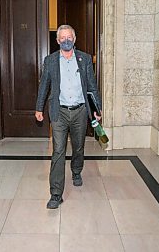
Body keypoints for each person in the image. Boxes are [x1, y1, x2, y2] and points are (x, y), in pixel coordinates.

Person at [35, 24, 102, 209]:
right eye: (62, 38)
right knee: (58, 151)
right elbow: (44, 86)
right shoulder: (50, 60)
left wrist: (97, 107)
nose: (66, 40)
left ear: (74, 39)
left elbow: (92, 86)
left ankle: (76, 170)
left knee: (78, 146)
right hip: (59, 111)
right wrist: (39, 108)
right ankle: (56, 194)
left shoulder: (85, 59)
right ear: (57, 41)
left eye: (69, 37)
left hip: (80, 110)